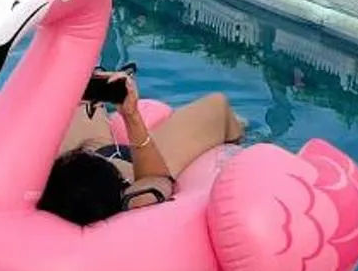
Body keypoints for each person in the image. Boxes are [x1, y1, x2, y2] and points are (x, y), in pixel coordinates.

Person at [35, 71, 245, 225]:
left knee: (86, 103)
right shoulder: (138, 199)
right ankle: (238, 134)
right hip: (132, 166)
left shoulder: (41, 187)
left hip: (96, 156)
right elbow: (156, 178)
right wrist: (131, 116)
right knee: (218, 107)